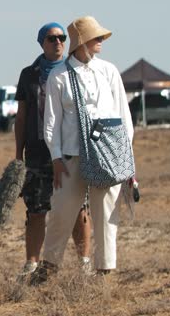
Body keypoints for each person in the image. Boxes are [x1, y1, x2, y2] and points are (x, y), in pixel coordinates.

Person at [37, 16, 133, 282]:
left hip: (108, 154)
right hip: (71, 155)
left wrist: (125, 159)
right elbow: (52, 122)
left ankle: (105, 272)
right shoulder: (59, 76)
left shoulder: (109, 71)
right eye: (96, 37)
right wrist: (56, 157)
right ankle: (49, 266)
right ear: (82, 42)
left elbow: (124, 117)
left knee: (106, 213)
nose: (101, 41)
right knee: (61, 211)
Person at [15, 22, 92, 280]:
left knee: (78, 208)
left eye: (61, 38)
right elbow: (22, 116)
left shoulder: (77, 71)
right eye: (52, 38)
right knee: (36, 209)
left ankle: (84, 261)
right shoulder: (29, 75)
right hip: (38, 153)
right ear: (42, 43)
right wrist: (18, 155)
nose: (58, 42)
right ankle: (32, 264)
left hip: (70, 151)